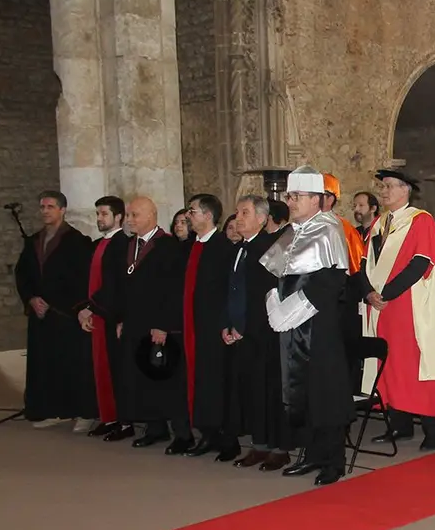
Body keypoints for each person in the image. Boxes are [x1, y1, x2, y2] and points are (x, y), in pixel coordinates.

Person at [259, 166, 354, 485]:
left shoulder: (328, 229)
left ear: (316, 199)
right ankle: (310, 453)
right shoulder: (292, 231)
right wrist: (276, 302)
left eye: (297, 196)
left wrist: (297, 309)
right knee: (303, 392)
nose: (291, 201)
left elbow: (331, 280)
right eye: (290, 196)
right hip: (291, 324)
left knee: (326, 392)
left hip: (319, 325)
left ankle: (333, 460)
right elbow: (275, 272)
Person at [351, 169, 435, 450]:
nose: (384, 191)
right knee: (388, 365)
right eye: (383, 186)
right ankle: (400, 426)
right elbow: (363, 263)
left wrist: (386, 293)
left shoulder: (420, 221)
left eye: (389, 186)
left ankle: (432, 429)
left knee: (415, 365)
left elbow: (420, 264)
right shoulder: (380, 223)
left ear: (406, 190)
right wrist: (368, 293)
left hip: (407, 306)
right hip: (380, 308)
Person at [95, 197, 192, 451]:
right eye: (128, 215)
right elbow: (121, 287)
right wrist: (119, 318)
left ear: (152, 216)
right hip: (134, 323)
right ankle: (155, 427)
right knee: (142, 378)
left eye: (134, 215)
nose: (129, 220)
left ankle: (183, 434)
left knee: (167, 379)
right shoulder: (129, 246)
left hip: (159, 326)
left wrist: (163, 324)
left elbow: (174, 290)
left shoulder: (169, 246)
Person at [16, 190, 96, 428]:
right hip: (40, 313)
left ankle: (81, 412)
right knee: (44, 364)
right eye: (42, 207)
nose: (45, 211)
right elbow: (22, 273)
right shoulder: (33, 241)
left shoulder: (77, 241)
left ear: (62, 210)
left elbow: (81, 278)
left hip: (65, 312)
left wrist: (63, 303)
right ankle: (49, 409)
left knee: (71, 363)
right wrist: (32, 298)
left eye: (50, 207)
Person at [223, 196, 290, 471]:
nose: (238, 217)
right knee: (252, 392)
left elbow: (267, 296)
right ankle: (259, 445)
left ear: (262, 219)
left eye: (245, 213)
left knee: (270, 390)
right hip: (243, 333)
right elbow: (234, 293)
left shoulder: (268, 249)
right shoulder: (241, 248)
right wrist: (227, 325)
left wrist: (245, 327)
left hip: (264, 333)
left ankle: (279, 448)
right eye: (237, 212)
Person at [177, 194, 239, 460]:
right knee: (200, 381)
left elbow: (229, 291)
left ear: (208, 215)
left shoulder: (224, 247)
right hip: (194, 325)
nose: (189, 216)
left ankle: (227, 439)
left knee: (218, 383)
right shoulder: (192, 245)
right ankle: (207, 434)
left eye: (192, 211)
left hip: (215, 328)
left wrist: (226, 323)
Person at [77, 196, 127, 435]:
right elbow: (90, 282)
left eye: (104, 214)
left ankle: (123, 421)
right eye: (97, 213)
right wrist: (84, 308)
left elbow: (115, 285)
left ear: (118, 217)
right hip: (97, 314)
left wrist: (94, 308)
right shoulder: (98, 244)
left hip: (111, 315)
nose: (99, 218)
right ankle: (108, 417)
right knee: (100, 369)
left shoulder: (122, 244)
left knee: (116, 369)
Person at [321, 173, 365, 273]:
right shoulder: (304, 226)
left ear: (330, 199)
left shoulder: (346, 230)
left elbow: (356, 268)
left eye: (317, 195)